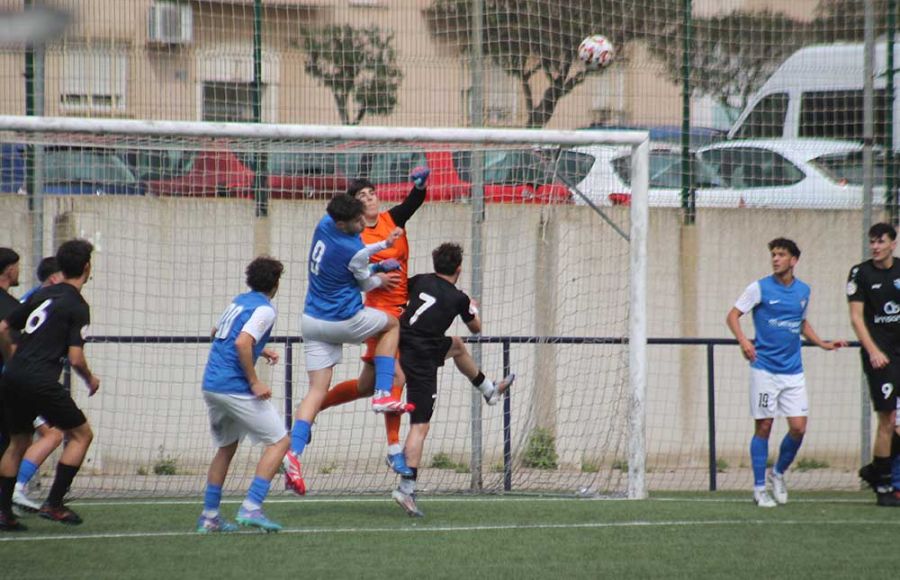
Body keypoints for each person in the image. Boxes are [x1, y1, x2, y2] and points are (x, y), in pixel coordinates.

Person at [283, 194, 405, 495]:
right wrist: (382, 264)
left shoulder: (323, 225)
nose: (363, 223)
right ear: (341, 222)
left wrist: (378, 253)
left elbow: (360, 262)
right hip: (343, 319)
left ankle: (293, 453)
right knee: (391, 324)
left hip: (312, 320)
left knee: (316, 391)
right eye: (356, 221)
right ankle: (382, 393)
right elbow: (365, 282)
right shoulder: (351, 248)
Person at [319, 169, 430, 478]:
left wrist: (420, 185)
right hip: (379, 315)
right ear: (354, 207)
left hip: (401, 311)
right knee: (396, 376)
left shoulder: (392, 219)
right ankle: (394, 449)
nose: (369, 199)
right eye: (361, 197)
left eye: (371, 193)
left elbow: (414, 200)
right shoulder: (354, 236)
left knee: (366, 386)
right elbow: (353, 272)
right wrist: (376, 274)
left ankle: (315, 406)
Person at [391, 243, 514, 517]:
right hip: (420, 358)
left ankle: (489, 390)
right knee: (419, 427)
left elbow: (400, 295)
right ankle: (406, 489)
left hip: (399, 345)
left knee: (457, 345)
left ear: (435, 264)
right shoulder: (459, 298)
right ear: (459, 269)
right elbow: (477, 328)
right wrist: (471, 307)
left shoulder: (420, 280)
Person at [726, 237, 845, 508]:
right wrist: (744, 341)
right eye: (773, 254)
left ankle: (777, 473)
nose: (776, 259)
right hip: (765, 370)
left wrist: (823, 344)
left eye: (781, 255)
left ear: (794, 260)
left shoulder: (804, 291)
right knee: (765, 426)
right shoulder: (759, 288)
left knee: (798, 428)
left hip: (793, 372)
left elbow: (802, 323)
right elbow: (732, 315)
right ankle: (758, 489)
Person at [0, 239, 100, 531]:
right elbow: (76, 357)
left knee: (18, 442)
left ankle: (4, 513)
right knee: (81, 435)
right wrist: (90, 379)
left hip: (13, 375)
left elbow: (4, 327)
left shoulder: (42, 294)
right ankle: (54, 504)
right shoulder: (77, 305)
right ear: (86, 267)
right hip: (40, 379)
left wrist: (13, 357)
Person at [197, 256, 289, 533]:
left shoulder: (239, 301)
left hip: (212, 384)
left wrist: (261, 348)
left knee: (226, 448)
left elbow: (218, 333)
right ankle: (252, 506)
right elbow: (241, 342)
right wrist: (254, 381)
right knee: (279, 442)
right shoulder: (265, 309)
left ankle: (210, 516)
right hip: (234, 387)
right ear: (275, 283)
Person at [848, 222, 900, 506]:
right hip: (881, 358)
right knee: (888, 419)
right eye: (872, 242)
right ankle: (882, 486)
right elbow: (856, 317)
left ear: (893, 243)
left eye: (881, 242)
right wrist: (873, 351)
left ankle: (875, 469)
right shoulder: (861, 273)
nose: (876, 247)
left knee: (897, 424)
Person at [12, 256, 65, 513]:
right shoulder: (50, 300)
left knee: (17, 438)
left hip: (18, 377)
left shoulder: (31, 298)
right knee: (53, 433)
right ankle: (16, 488)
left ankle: (11, 493)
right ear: (55, 278)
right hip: (24, 379)